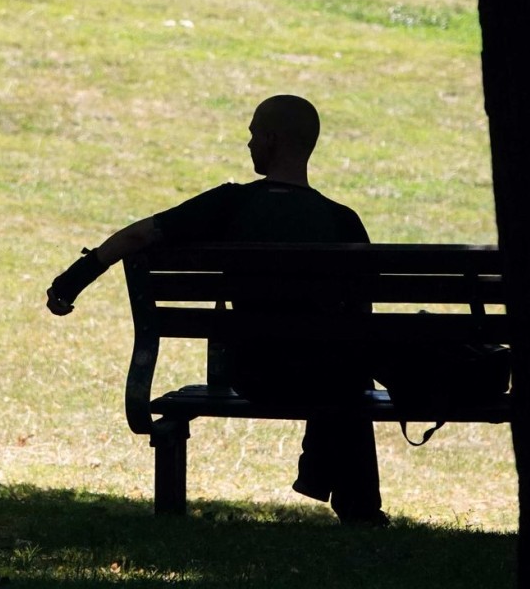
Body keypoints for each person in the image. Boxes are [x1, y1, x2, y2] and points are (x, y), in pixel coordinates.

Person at [45, 94, 388, 526]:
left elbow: (137, 238)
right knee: (345, 374)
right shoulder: (343, 221)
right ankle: (359, 507)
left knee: (336, 372)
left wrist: (73, 280)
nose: (247, 144)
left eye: (252, 134)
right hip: (327, 380)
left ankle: (337, 492)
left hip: (255, 374)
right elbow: (362, 315)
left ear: (272, 139)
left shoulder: (230, 204)